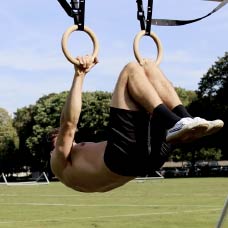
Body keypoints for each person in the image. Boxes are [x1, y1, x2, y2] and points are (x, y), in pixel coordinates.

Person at [49, 55, 224, 193]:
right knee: (131, 69)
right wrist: (79, 75)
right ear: (51, 147)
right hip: (122, 159)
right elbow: (69, 124)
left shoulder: (77, 168)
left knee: (149, 68)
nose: (70, 142)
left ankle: (185, 120)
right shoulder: (58, 162)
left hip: (143, 162)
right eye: (60, 140)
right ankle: (176, 122)